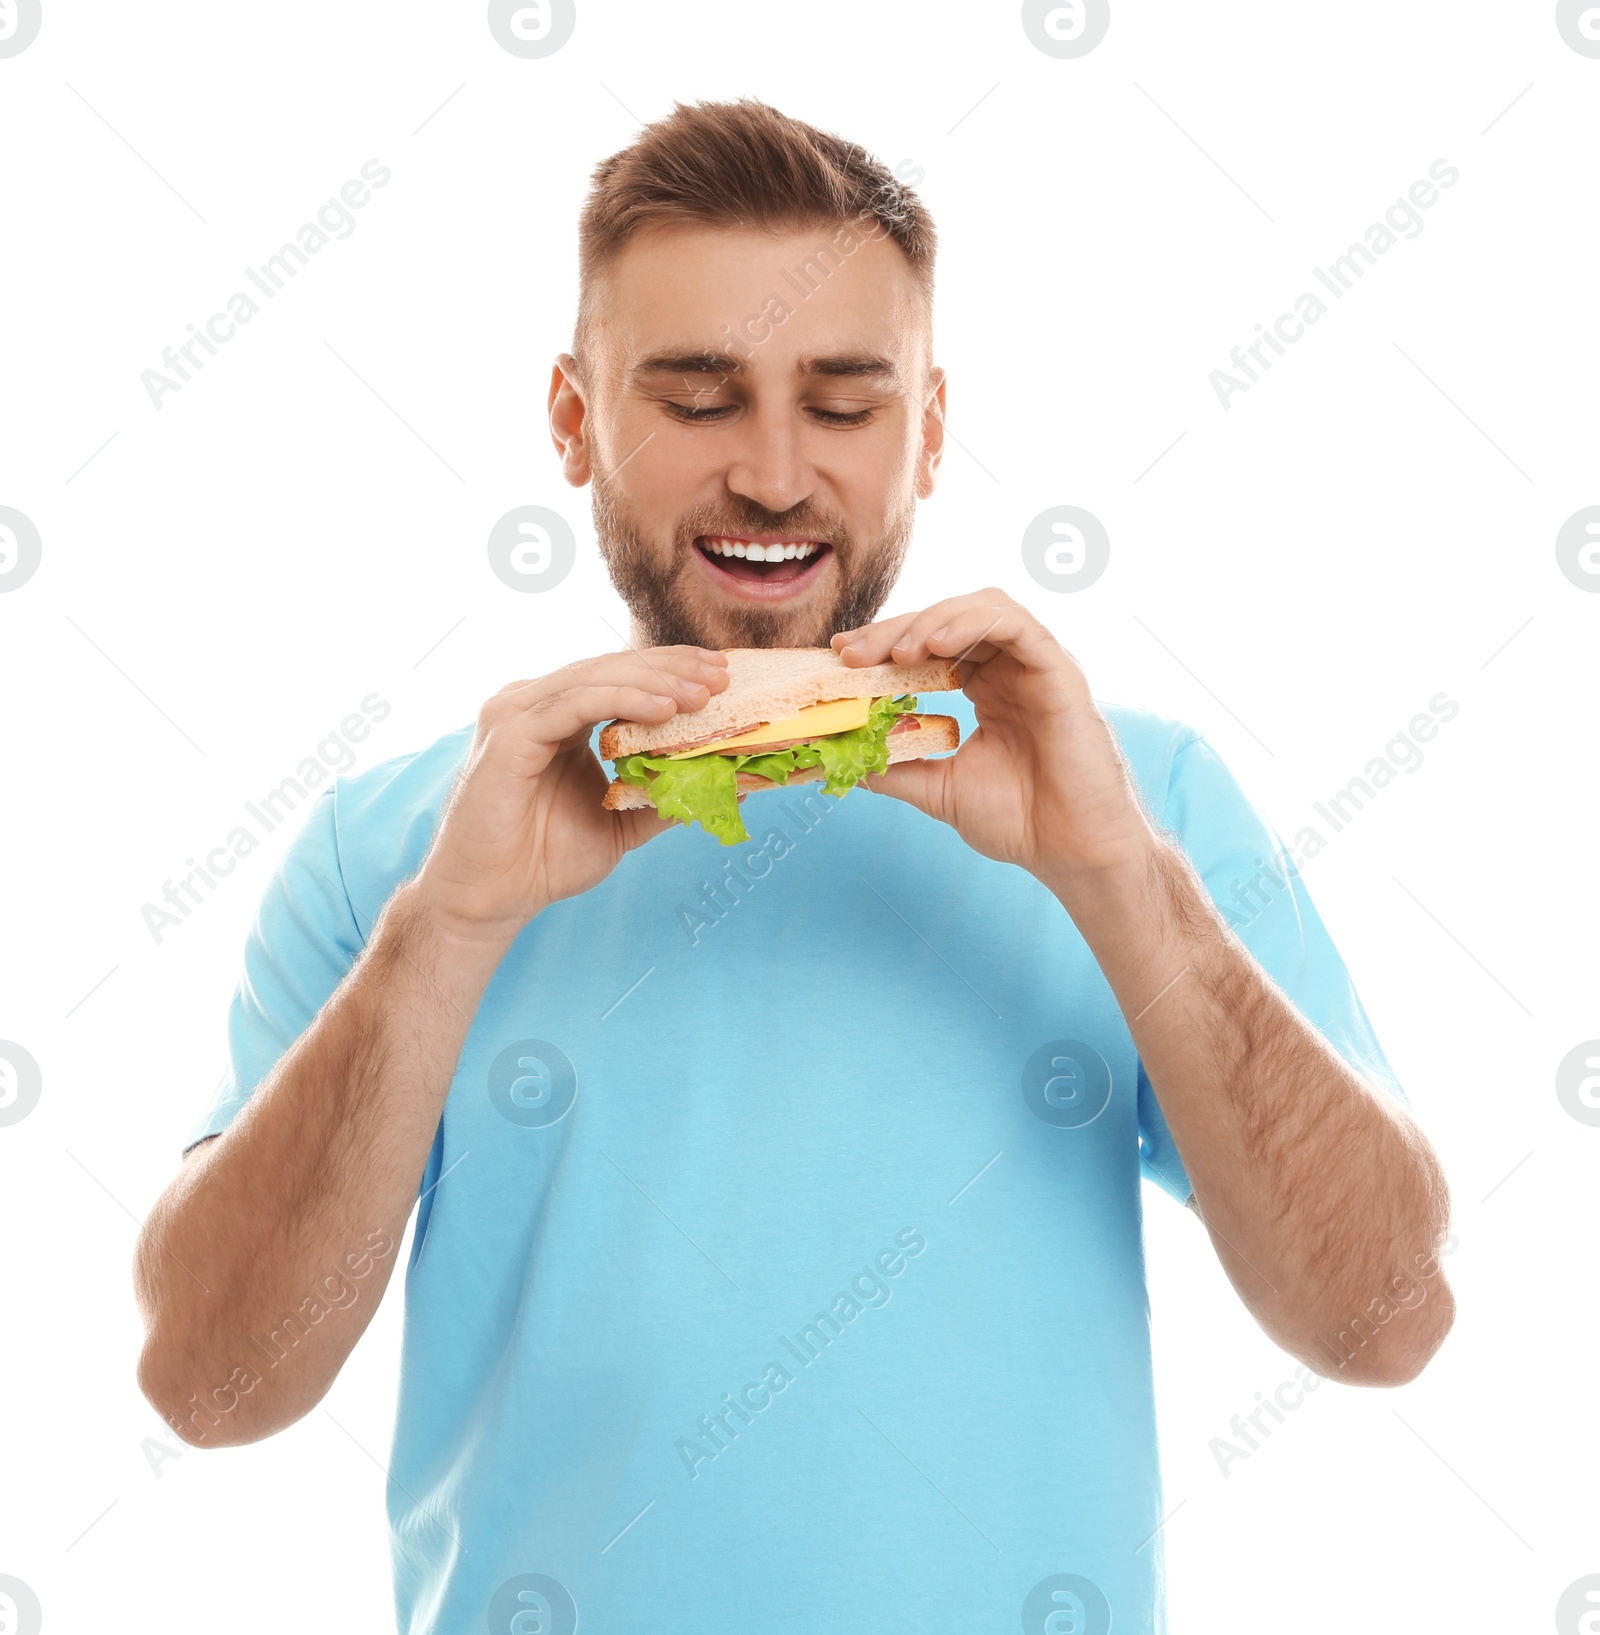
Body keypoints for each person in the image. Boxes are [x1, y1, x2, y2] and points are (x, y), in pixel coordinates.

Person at [133, 99, 1453, 1634]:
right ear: (572, 420)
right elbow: (213, 1390)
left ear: (931, 433)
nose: (773, 476)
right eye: (697, 398)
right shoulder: (399, 848)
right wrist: (446, 930)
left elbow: (1386, 1322)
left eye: (843, 404)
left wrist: (1113, 876)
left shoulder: (1135, 795)